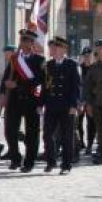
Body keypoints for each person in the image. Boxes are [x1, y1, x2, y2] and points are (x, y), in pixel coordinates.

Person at [2, 30, 45, 173]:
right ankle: (15, 158)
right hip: (14, 100)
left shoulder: (39, 60)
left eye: (27, 41)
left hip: (31, 99)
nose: (24, 43)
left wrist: (18, 85)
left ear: (32, 43)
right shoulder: (15, 59)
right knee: (10, 130)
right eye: (22, 40)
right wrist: (4, 88)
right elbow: (7, 76)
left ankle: (29, 162)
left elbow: (39, 81)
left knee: (32, 133)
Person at [42, 36, 81, 175]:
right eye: (53, 47)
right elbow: (45, 86)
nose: (53, 50)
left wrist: (74, 105)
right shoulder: (48, 65)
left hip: (66, 106)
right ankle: (51, 161)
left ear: (64, 49)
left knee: (66, 136)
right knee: (47, 134)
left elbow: (77, 86)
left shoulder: (72, 64)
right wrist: (41, 103)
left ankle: (66, 164)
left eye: (57, 47)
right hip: (51, 105)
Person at [77, 46, 95, 155]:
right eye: (85, 56)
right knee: (78, 122)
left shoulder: (95, 68)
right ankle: (80, 143)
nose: (87, 58)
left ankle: (90, 144)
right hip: (80, 99)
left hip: (91, 100)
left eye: (89, 56)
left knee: (91, 123)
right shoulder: (79, 68)